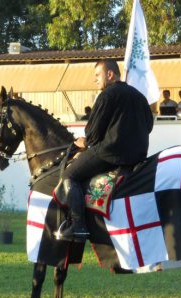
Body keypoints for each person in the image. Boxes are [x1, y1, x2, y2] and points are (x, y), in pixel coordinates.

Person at [58, 59, 153, 241]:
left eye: (97, 75)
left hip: (109, 153)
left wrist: (82, 142)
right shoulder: (139, 96)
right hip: (139, 156)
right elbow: (149, 126)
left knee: (69, 176)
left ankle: (78, 226)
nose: (96, 80)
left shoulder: (107, 95)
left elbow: (92, 134)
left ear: (110, 74)